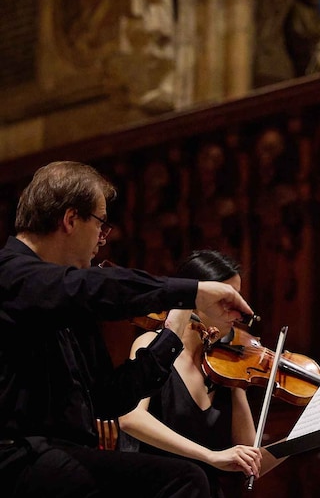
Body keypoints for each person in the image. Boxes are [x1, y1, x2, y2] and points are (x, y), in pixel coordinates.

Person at [0, 161, 254, 498]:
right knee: (185, 480)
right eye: (101, 224)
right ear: (71, 219)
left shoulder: (71, 299)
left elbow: (107, 400)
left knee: (196, 479)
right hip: (15, 458)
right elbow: (93, 287)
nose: (103, 239)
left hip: (61, 458)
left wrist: (170, 337)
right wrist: (190, 291)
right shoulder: (11, 273)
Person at [120, 250, 285, 497]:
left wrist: (304, 439)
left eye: (238, 298)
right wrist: (209, 456)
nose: (240, 313)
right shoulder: (149, 346)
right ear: (195, 299)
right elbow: (130, 418)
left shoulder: (228, 367)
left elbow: (250, 456)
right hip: (155, 488)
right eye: (227, 300)